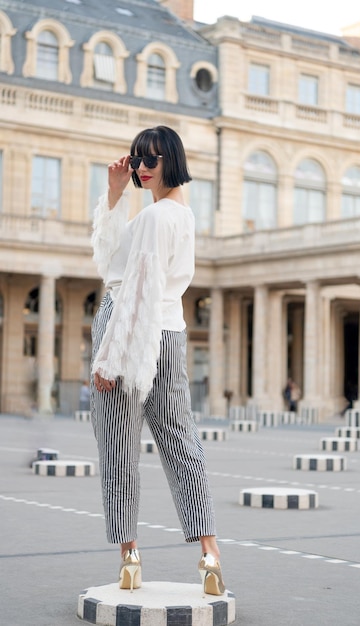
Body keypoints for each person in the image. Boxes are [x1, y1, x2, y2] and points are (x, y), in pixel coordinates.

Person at [90, 126, 225, 595]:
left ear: (172, 158)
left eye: (153, 158)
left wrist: (109, 358)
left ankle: (129, 556)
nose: (143, 167)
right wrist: (114, 195)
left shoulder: (155, 219)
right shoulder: (181, 215)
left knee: (118, 446)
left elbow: (134, 289)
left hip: (129, 330)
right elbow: (113, 258)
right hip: (170, 333)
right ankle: (210, 553)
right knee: (181, 441)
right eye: (138, 159)